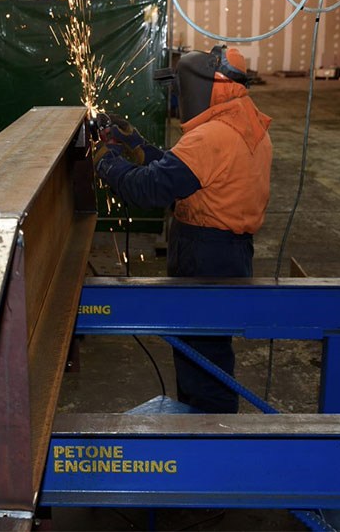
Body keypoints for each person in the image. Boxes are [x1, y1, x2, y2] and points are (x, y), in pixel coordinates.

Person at [93, 45, 272, 413]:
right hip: (226, 252)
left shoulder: (213, 136)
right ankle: (202, 424)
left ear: (204, 87)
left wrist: (106, 163)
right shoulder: (239, 121)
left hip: (207, 257)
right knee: (202, 349)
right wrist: (138, 148)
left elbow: (150, 189)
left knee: (203, 358)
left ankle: (211, 437)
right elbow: (188, 175)